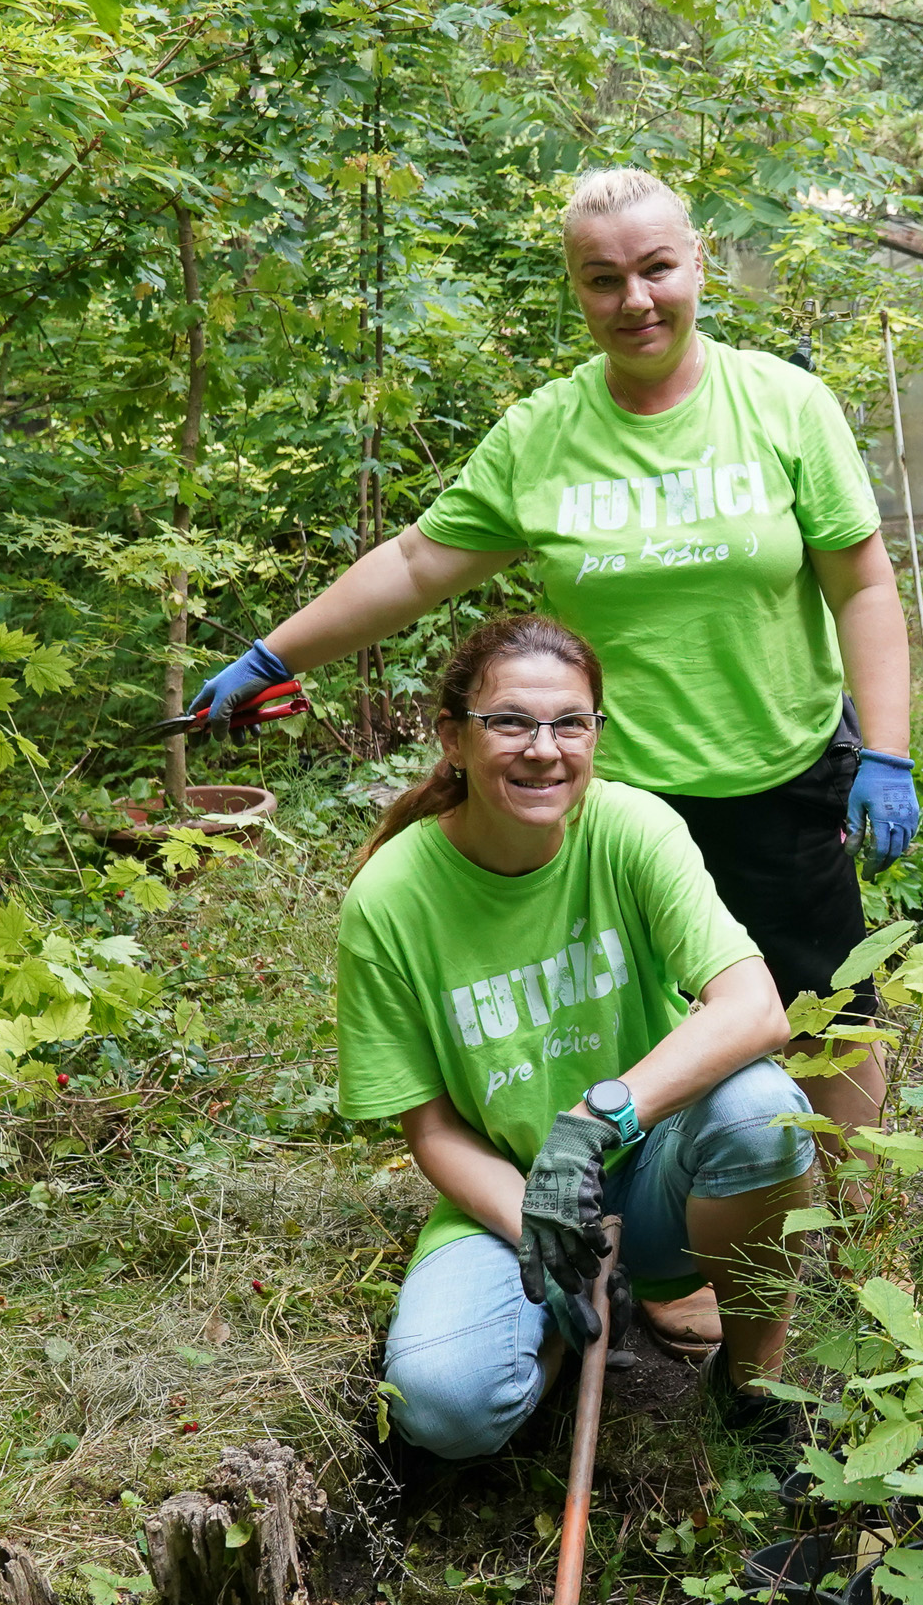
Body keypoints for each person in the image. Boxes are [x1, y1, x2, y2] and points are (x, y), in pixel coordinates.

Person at [190, 169, 914, 1343]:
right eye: (602, 278)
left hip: (779, 772)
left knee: (827, 1013)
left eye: (657, 268)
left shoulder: (783, 406)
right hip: (611, 797)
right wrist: (277, 651)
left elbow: (862, 582)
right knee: (652, 1026)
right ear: (575, 291)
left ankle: (872, 1252)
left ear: (697, 263)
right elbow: (419, 563)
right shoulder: (543, 435)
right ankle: (681, 1259)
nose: (636, 298)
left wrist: (885, 750)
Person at [338, 614, 813, 1459]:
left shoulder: (631, 828)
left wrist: (596, 1121)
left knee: (760, 1109)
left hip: (664, 1169)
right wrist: (541, 1225)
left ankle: (753, 1390)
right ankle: (568, 1318)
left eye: (570, 723)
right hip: (510, 1197)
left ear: (596, 732)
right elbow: (432, 1127)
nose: (543, 749)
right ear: (453, 737)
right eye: (509, 722)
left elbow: (754, 1008)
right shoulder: (390, 898)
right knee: (443, 1407)